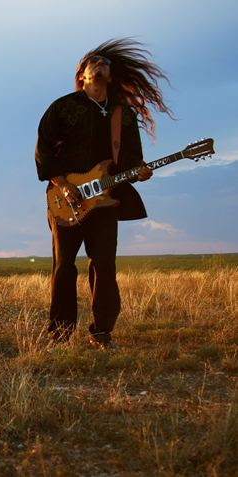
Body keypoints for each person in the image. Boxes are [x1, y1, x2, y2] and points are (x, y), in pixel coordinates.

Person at [34, 38, 172, 350]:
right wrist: (64, 185)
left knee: (104, 265)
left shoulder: (122, 114)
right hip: (65, 198)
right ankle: (59, 334)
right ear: (81, 75)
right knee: (64, 266)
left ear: (110, 76)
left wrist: (140, 170)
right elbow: (43, 151)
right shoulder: (63, 107)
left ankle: (102, 332)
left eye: (104, 63)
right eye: (91, 63)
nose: (99, 65)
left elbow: (131, 157)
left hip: (106, 200)